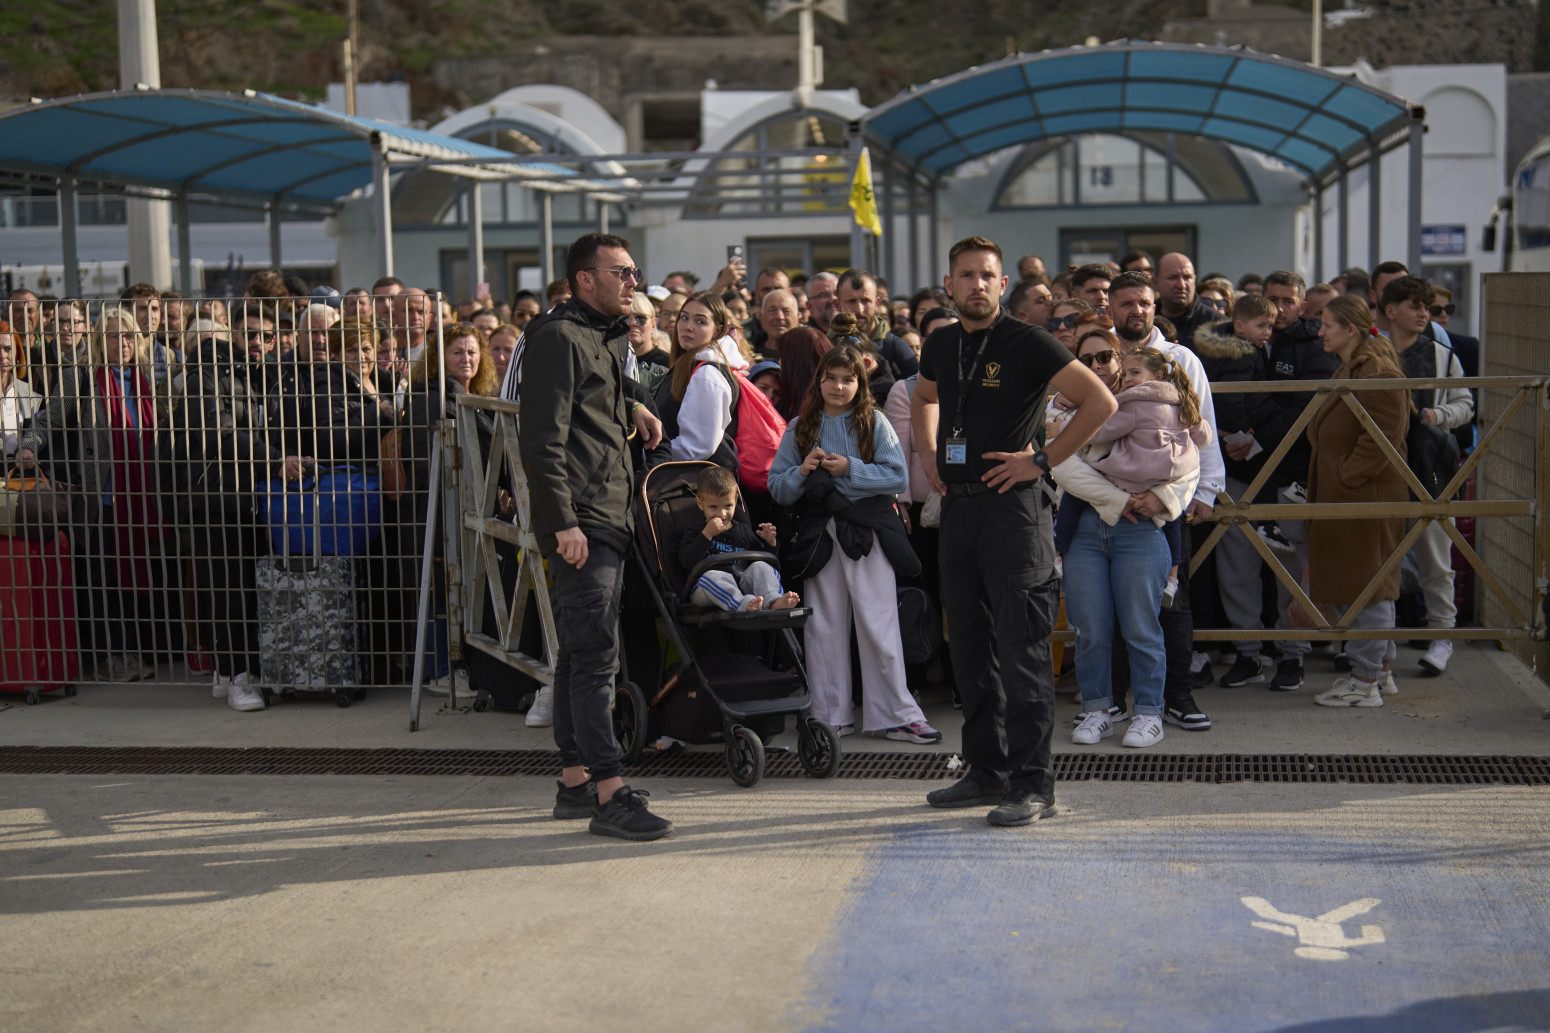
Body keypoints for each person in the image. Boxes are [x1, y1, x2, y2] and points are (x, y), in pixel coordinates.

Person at [912, 235, 1115, 826]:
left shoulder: (1028, 340)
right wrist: (927, 453)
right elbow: (924, 397)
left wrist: (1044, 459)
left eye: (987, 275)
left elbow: (1098, 401)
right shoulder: (943, 341)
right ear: (949, 285)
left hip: (1014, 512)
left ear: (1003, 285)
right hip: (959, 513)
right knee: (970, 648)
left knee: (1021, 650)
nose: (977, 284)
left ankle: (1033, 786)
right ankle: (985, 771)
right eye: (966, 275)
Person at [518, 232, 672, 842]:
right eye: (622, 273)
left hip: (607, 511)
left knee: (581, 653)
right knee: (596, 658)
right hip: (583, 519)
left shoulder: (601, 334)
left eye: (635, 272)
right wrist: (563, 523)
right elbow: (541, 441)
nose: (632, 282)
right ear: (585, 280)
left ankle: (575, 781)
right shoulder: (557, 336)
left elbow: (597, 392)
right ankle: (611, 792)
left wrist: (634, 400)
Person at [768, 344, 939, 744]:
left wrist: (850, 469)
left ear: (860, 383)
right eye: (831, 377)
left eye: (848, 379)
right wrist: (802, 471)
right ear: (819, 380)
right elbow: (777, 487)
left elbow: (897, 478)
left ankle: (895, 713)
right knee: (823, 625)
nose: (839, 386)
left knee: (878, 621)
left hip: (867, 532)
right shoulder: (799, 427)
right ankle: (830, 714)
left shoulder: (873, 422)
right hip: (819, 536)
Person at [1055, 343, 1211, 748]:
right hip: (1089, 530)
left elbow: (1191, 462)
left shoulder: (1139, 405)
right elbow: (1062, 466)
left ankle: (1147, 714)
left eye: (1108, 359)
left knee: (1142, 628)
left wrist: (1166, 497)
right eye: (1087, 360)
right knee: (1089, 629)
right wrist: (1122, 499)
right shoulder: (1070, 404)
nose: (1102, 367)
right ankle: (1097, 710)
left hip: (1140, 530)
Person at [17, 309, 174, 686]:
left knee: (135, 577)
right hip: (102, 500)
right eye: (112, 336)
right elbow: (47, 420)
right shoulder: (82, 378)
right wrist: (28, 448)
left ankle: (133, 652)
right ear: (99, 340)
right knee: (102, 581)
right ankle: (108, 657)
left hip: (144, 501)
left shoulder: (150, 381)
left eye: (128, 336)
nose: (121, 343)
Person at [1307, 295, 1408, 707]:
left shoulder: (1377, 371)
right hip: (1351, 495)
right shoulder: (1357, 365)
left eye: (1327, 324)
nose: (1320, 331)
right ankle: (1380, 672)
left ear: (1350, 329)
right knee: (1364, 583)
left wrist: (1346, 475)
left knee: (1370, 588)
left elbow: (1383, 438)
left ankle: (1364, 681)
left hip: (1364, 497)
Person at [1191, 294, 1283, 687]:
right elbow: (1232, 401)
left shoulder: (1220, 350)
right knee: (1242, 561)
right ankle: (1260, 650)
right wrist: (1248, 437)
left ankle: (1260, 650)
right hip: (1243, 461)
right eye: (1262, 326)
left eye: (1271, 326)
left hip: (1238, 459)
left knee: (1248, 563)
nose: (1268, 333)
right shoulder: (1242, 357)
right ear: (1239, 326)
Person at [1381, 275, 1472, 674]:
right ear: (1390, 311)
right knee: (1379, 558)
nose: (1425, 314)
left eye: (1427, 307)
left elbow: (1466, 403)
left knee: (1436, 558)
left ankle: (1442, 637)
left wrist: (1440, 415)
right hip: (1381, 471)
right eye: (1416, 306)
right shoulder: (1372, 354)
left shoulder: (1442, 355)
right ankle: (1376, 640)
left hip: (1431, 470)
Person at [675, 465, 800, 612]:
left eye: (728, 506)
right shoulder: (696, 531)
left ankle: (772, 600)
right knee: (714, 577)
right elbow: (686, 562)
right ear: (700, 504)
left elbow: (763, 560)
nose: (722, 514)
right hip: (706, 588)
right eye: (713, 507)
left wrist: (770, 543)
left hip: (740, 584)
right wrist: (707, 535)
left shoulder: (743, 531)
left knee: (761, 567)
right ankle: (743, 604)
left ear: (735, 501)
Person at [655, 290, 746, 469]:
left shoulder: (707, 375)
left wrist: (650, 455)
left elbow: (697, 446)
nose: (688, 326)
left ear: (718, 330)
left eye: (700, 321)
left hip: (693, 487)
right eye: (684, 317)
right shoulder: (693, 366)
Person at [0, 323, 41, 463]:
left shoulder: (30, 395)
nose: (2, 355)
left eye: (8, 349)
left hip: (20, 475)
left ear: (17, 353)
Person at [775, 325, 831, 422]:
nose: (779, 362)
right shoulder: (789, 401)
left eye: (783, 358)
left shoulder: (821, 410)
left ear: (797, 363)